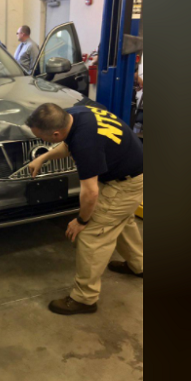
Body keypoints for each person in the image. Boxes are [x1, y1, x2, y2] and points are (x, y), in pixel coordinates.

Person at [25, 103, 143, 315]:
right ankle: (139, 265)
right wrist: (42, 157)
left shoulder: (85, 144)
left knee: (93, 235)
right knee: (120, 221)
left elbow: (90, 193)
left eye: (44, 138)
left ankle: (84, 298)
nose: (43, 142)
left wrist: (81, 221)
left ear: (55, 132)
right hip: (132, 172)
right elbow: (67, 144)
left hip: (125, 182)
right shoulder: (76, 113)